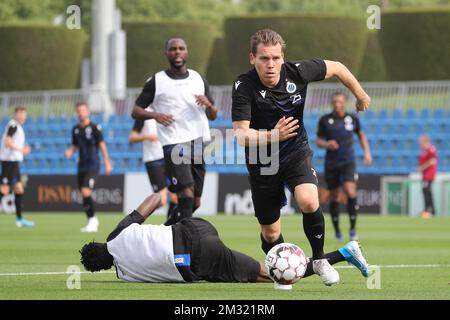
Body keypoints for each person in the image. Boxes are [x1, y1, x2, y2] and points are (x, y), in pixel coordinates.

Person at [231, 29, 370, 286]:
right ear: (252, 59)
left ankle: (318, 258)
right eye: (264, 59)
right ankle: (294, 269)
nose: (270, 64)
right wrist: (274, 135)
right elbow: (241, 135)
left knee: (308, 200)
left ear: (283, 58)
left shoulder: (299, 72)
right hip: (263, 161)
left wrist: (360, 95)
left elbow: (338, 67)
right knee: (271, 234)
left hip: (296, 152)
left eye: (275, 58)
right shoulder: (243, 86)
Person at [79, 193, 370, 285]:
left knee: (274, 275)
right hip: (194, 228)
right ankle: (343, 253)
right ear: (101, 244)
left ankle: (341, 254)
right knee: (271, 272)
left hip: (195, 258)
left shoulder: (125, 276)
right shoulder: (116, 234)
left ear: (103, 267)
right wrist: (170, 192)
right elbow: (153, 200)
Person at [131, 37, 218, 225]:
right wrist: (155, 116)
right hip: (174, 143)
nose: (177, 52)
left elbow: (213, 115)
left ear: (186, 52)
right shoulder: (157, 81)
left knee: (194, 201)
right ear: (167, 53)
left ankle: (166, 230)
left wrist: (209, 104)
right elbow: (135, 110)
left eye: (181, 48)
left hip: (199, 141)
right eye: (173, 49)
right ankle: (182, 244)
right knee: (185, 194)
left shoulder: (198, 79)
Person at [316, 92, 372, 241]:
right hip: (332, 163)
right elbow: (319, 141)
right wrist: (327, 144)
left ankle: (353, 229)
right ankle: (337, 231)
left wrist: (367, 152)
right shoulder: (325, 120)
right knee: (334, 195)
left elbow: (361, 135)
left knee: (350, 191)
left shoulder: (352, 118)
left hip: (348, 161)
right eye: (335, 102)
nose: (337, 105)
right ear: (331, 103)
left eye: (340, 102)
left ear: (344, 103)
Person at [64, 102, 112, 232]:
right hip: (81, 166)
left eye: (83, 110)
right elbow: (75, 145)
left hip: (93, 165)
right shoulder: (75, 129)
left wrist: (107, 162)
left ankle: (92, 220)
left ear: (88, 111)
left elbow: (102, 145)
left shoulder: (95, 127)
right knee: (83, 194)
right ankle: (92, 219)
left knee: (86, 191)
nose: (81, 113)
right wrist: (69, 151)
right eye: (79, 111)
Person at [129, 114, 178, 218]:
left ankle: (170, 225)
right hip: (153, 160)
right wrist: (147, 136)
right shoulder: (143, 115)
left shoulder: (166, 111)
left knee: (175, 197)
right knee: (162, 200)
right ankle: (135, 218)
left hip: (168, 157)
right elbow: (132, 137)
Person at [0, 105, 33, 227]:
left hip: (14, 163)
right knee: (4, 189)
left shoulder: (18, 126)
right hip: (9, 162)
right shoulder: (13, 125)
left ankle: (19, 219)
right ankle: (19, 219)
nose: (22, 116)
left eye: (24, 113)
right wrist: (21, 150)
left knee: (19, 189)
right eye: (20, 113)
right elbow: (7, 142)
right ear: (16, 114)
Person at [418, 135, 438, 219]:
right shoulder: (424, 151)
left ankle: (429, 210)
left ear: (425, 141)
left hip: (429, 174)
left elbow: (433, 161)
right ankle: (429, 210)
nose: (420, 144)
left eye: (421, 142)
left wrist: (422, 167)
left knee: (427, 191)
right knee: (425, 190)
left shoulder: (431, 149)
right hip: (425, 174)